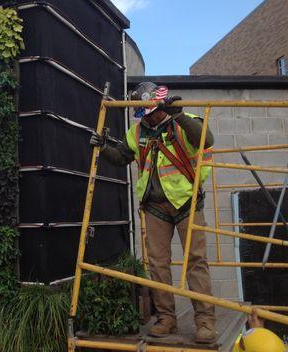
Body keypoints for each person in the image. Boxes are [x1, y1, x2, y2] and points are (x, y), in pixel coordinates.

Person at [90, 82, 216, 343]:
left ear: (161, 104)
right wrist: (103, 147)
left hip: (187, 203)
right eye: (144, 113)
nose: (149, 116)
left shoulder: (185, 121)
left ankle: (205, 322)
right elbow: (121, 157)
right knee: (158, 265)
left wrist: (178, 115)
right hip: (155, 206)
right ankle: (166, 319)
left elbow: (207, 139)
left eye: (152, 111)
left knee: (196, 262)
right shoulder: (137, 132)